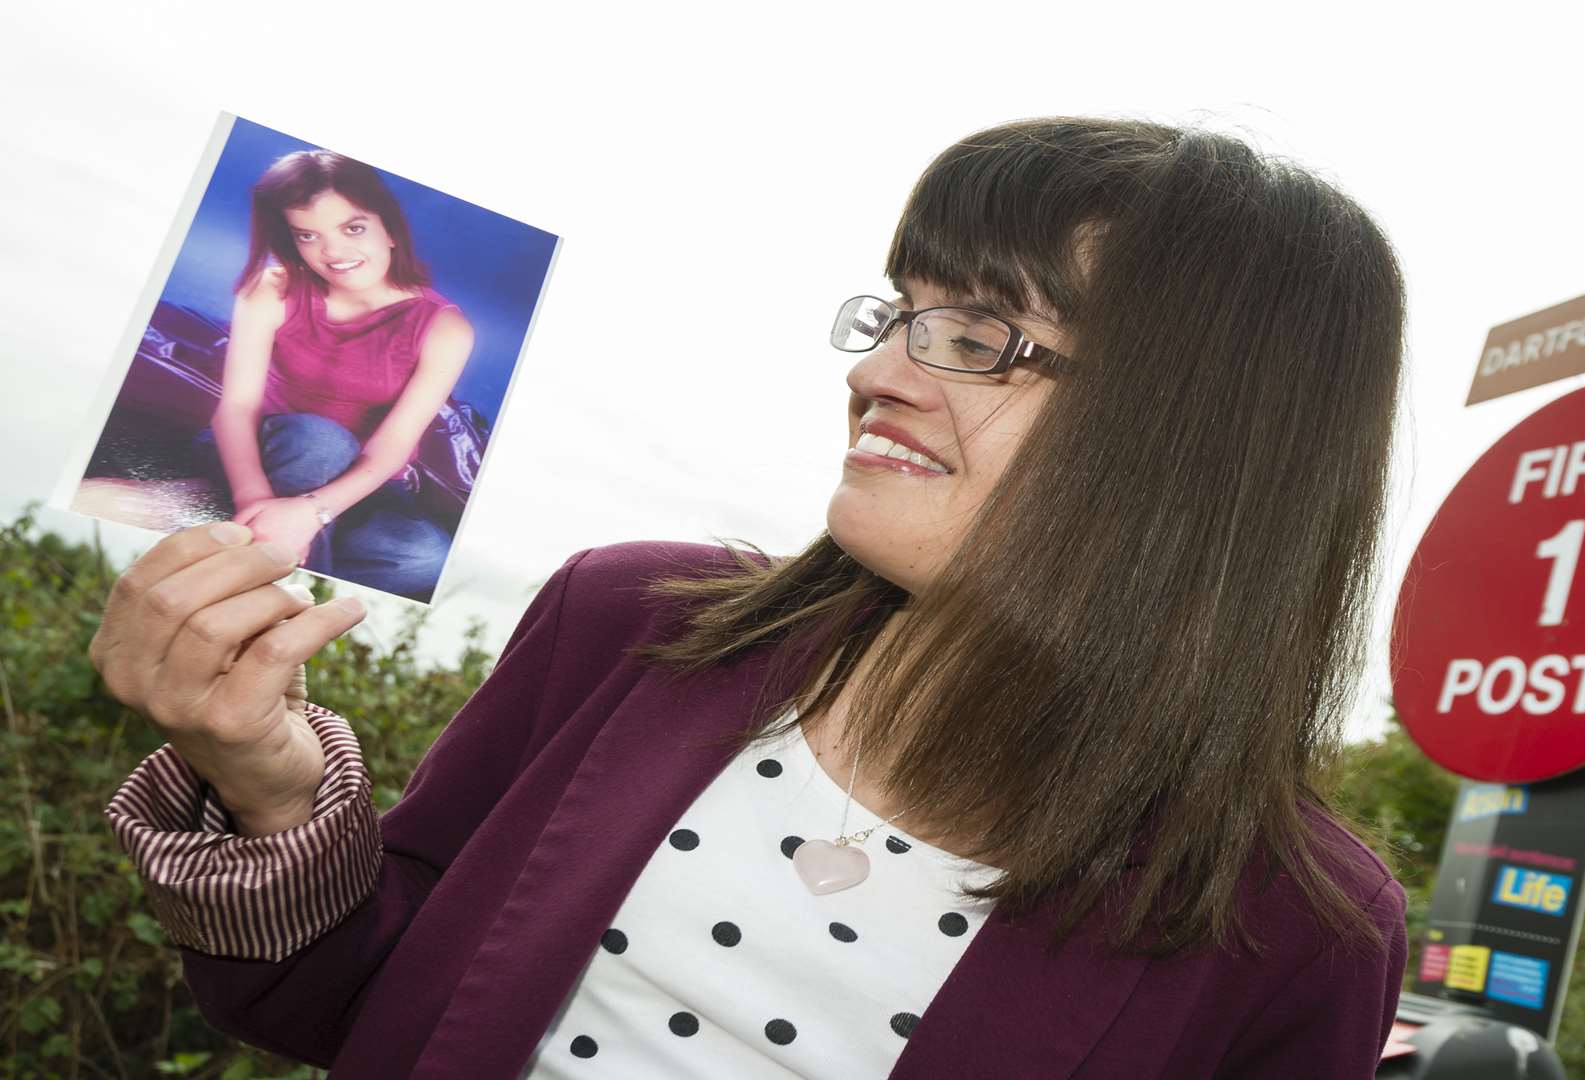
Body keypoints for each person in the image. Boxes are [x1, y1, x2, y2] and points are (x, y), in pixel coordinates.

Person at [92, 116, 1412, 1077]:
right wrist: (267, 789)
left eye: (973, 339)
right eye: (900, 314)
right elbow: (348, 1005)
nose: (884, 371)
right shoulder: (626, 625)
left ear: (1199, 446)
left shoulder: (1299, 938)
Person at [196, 149, 475, 602]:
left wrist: (311, 514)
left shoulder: (446, 328)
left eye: (353, 228)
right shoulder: (272, 289)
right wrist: (252, 500)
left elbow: (392, 448)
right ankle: (277, 579)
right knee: (321, 442)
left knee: (424, 556)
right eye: (308, 235)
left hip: (360, 484)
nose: (333, 252)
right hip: (270, 455)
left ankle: (266, 536)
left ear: (389, 229)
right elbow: (236, 406)